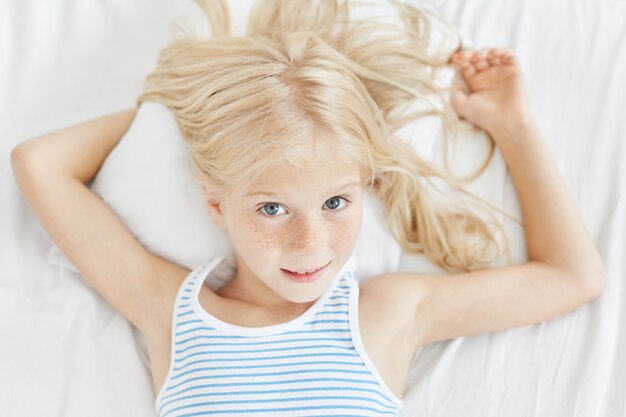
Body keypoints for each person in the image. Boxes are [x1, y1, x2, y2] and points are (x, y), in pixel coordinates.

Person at [10, 0, 605, 416]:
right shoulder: (171, 309)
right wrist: (187, 116)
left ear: (363, 187)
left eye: (336, 202)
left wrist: (514, 127)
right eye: (271, 209)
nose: (310, 242)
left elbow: (572, 277)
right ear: (215, 201)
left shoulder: (387, 312)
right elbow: (37, 162)